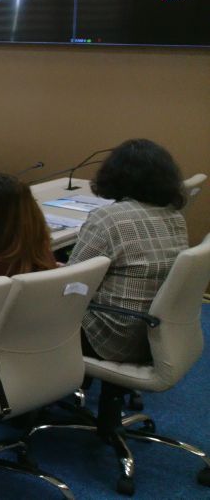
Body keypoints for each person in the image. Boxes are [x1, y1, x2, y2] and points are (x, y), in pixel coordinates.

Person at [72, 139, 189, 362]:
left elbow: (71, 284)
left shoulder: (107, 218)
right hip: (158, 333)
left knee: (26, 314)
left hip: (114, 335)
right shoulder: (175, 216)